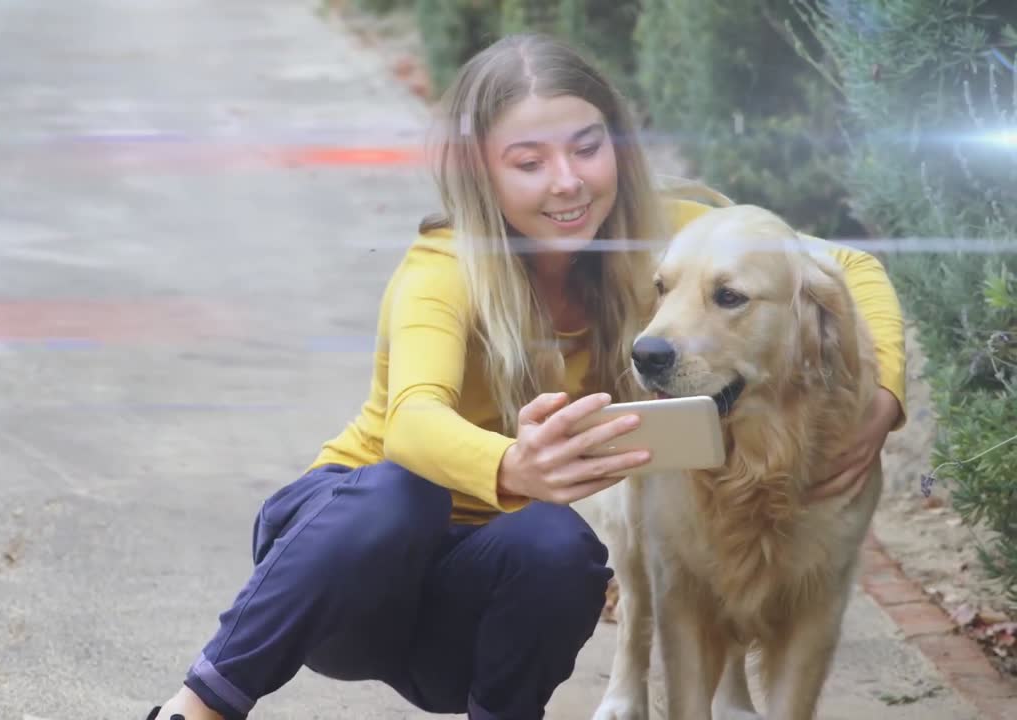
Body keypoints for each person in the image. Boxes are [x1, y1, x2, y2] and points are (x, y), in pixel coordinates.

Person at [145, 32, 906, 720]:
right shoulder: (445, 267)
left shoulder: (664, 237)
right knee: (400, 490)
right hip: (339, 577)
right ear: (485, 176)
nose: (568, 182)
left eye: (587, 147)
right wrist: (511, 463)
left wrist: (883, 401)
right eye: (529, 162)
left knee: (560, 550)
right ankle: (198, 707)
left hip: (465, 610)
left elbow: (849, 267)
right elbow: (412, 423)